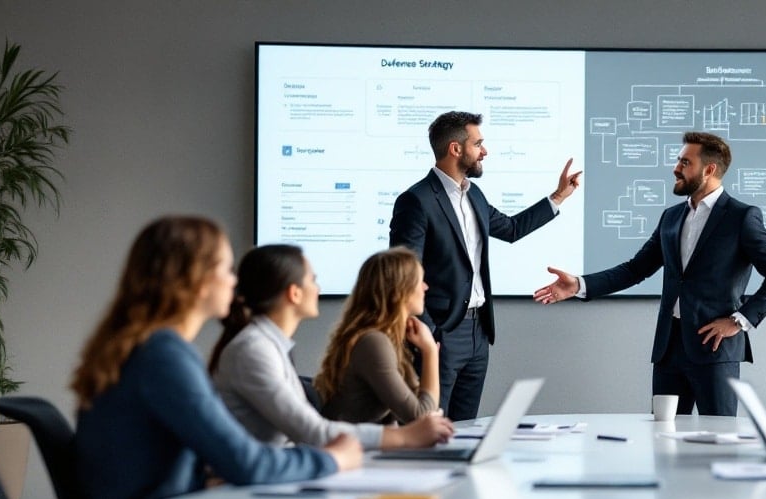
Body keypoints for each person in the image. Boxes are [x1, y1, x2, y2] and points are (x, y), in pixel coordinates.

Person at [71, 217, 361, 499]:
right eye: (226, 269)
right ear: (196, 279)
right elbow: (249, 464)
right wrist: (332, 459)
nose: (234, 282)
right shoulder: (164, 356)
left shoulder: (145, 347)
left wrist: (205, 476)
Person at [534, 132, 766, 416]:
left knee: (718, 439)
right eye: (678, 161)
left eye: (685, 162)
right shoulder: (671, 217)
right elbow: (636, 269)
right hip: (668, 350)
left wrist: (739, 320)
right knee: (664, 439)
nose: (676, 168)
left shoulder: (741, 217)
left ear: (709, 170)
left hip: (716, 349)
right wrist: (579, 285)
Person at [389, 111, 582, 421]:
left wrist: (559, 196)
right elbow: (402, 275)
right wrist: (430, 333)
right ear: (455, 149)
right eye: (479, 144)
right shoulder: (417, 200)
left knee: (467, 428)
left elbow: (511, 229)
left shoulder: (474, 194)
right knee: (430, 428)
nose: (485, 151)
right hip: (442, 332)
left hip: (479, 332)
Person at [209, 244, 454, 450]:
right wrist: (405, 437)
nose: (319, 288)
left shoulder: (270, 346)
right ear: (294, 293)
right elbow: (311, 432)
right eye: (313, 280)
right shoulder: (254, 350)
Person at [317, 247, 445, 425]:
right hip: (349, 448)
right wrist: (430, 352)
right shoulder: (373, 342)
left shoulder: (387, 337)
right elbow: (420, 416)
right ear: (398, 292)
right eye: (419, 281)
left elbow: (418, 403)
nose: (425, 287)